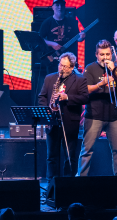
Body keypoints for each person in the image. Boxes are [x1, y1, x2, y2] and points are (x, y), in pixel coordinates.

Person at [77, 40, 117, 190]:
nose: (104, 57)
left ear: (112, 55)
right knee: (87, 150)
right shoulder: (90, 68)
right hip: (94, 114)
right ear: (96, 54)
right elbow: (84, 90)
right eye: (101, 54)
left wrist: (115, 71)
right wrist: (101, 84)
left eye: (107, 54)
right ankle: (80, 180)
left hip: (113, 115)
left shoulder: (116, 68)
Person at [37, 53, 88, 200]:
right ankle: (50, 187)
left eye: (65, 66)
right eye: (60, 64)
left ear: (72, 67)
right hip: (52, 122)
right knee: (51, 156)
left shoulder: (80, 79)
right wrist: (47, 110)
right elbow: (42, 97)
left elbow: (85, 97)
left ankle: (68, 186)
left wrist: (68, 98)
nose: (61, 68)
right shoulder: (50, 78)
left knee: (69, 157)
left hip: (69, 122)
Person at [38, 0, 85, 78]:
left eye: (62, 5)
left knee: (70, 81)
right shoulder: (47, 22)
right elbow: (40, 39)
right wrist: (52, 44)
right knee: (54, 82)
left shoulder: (72, 21)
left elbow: (78, 38)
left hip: (69, 58)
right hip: (53, 58)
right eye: (57, 5)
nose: (60, 7)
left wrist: (82, 37)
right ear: (52, 7)